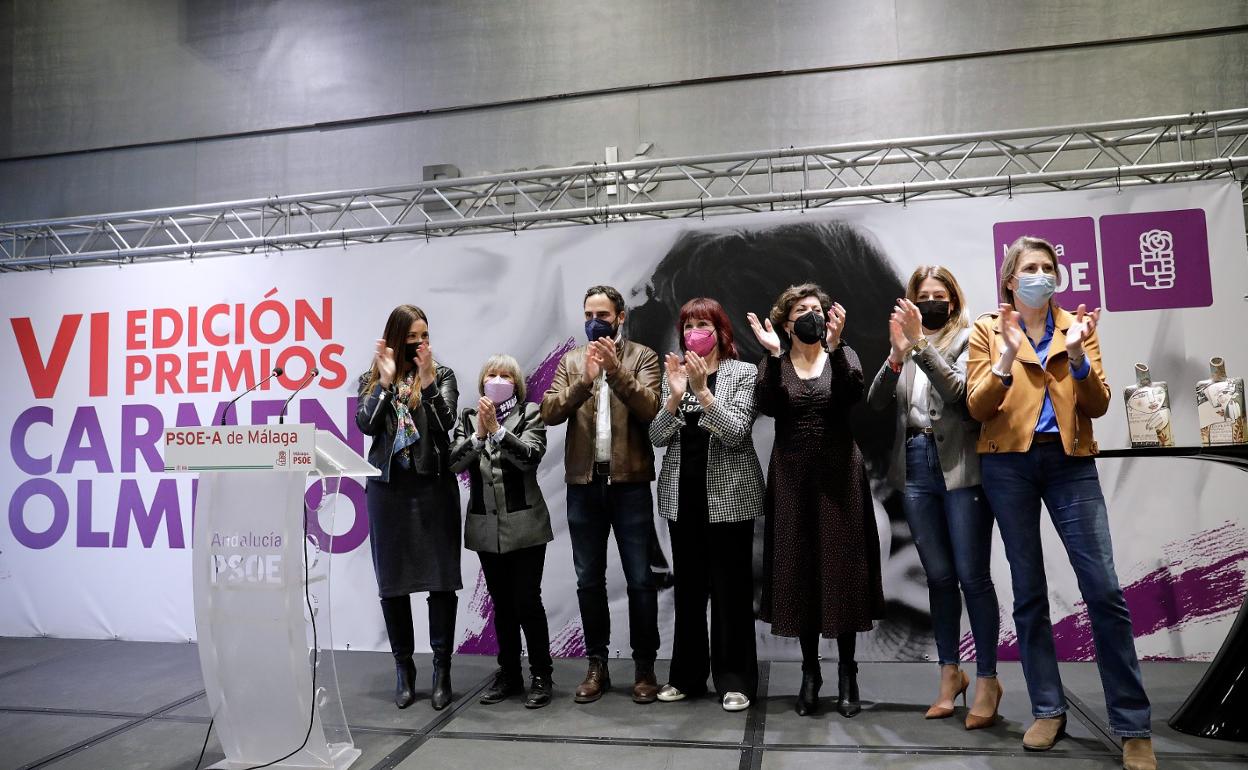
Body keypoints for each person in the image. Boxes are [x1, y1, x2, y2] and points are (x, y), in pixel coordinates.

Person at [967, 236, 1154, 770]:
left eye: (1049, 267)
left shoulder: (1077, 325)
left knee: (1104, 590)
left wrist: (1076, 352)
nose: (1042, 275)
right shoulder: (987, 329)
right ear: (1010, 279)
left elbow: (1096, 402)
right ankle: (1047, 709)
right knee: (1028, 592)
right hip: (1008, 465)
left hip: (1071, 462)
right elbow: (978, 407)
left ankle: (1133, 725)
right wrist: (1004, 354)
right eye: (1030, 267)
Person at [866, 266, 1002, 729]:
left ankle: (987, 679)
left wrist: (921, 345)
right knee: (939, 578)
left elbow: (961, 396)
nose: (929, 301)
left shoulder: (967, 339)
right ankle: (950, 675)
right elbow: (877, 402)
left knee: (972, 576)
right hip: (917, 464)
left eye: (937, 294)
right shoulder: (906, 344)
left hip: (961, 465)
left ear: (953, 299)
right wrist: (895, 356)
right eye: (921, 295)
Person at [747, 283, 885, 718]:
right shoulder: (776, 362)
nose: (812, 315)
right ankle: (810, 672)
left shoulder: (842, 356)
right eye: (801, 310)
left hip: (839, 477)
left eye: (817, 309)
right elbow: (766, 404)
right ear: (786, 324)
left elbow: (852, 395)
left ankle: (848, 671)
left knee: (841, 572)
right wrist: (771, 355)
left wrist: (838, 345)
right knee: (801, 572)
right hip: (791, 480)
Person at [540, 285, 663, 704]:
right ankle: (597, 665)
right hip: (583, 486)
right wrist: (585, 382)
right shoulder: (573, 360)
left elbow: (652, 408)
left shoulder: (643, 356)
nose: (595, 321)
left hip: (630, 485)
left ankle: (645, 667)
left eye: (604, 315)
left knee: (641, 581)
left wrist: (616, 371)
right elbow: (549, 412)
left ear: (621, 317)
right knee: (588, 581)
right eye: (589, 312)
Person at [649, 298, 765, 712]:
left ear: (720, 331)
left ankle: (735, 680)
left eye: (702, 324)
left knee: (731, 592)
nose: (693, 332)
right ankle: (686, 676)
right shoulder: (673, 374)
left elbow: (735, 432)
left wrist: (703, 393)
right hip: (684, 497)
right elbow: (658, 438)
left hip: (730, 497)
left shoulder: (742, 372)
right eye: (688, 325)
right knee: (689, 593)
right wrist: (674, 399)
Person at [355, 304, 461, 711]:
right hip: (388, 491)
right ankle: (404, 668)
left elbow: (447, 422)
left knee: (440, 580)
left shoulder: (443, 374)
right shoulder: (371, 376)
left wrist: (430, 384)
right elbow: (365, 425)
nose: (419, 344)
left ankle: (441, 669)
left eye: (424, 336)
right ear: (396, 339)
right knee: (393, 583)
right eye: (411, 337)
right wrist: (383, 383)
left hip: (432, 487)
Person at [449, 354, 555, 709]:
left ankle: (542, 674)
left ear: (516, 383)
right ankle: (509, 673)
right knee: (502, 605)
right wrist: (479, 434)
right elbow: (453, 463)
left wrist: (497, 431)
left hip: (526, 526)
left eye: (505, 375)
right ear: (482, 382)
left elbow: (530, 456)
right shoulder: (467, 417)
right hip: (485, 527)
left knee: (527, 601)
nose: (497, 380)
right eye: (491, 374)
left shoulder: (530, 413)